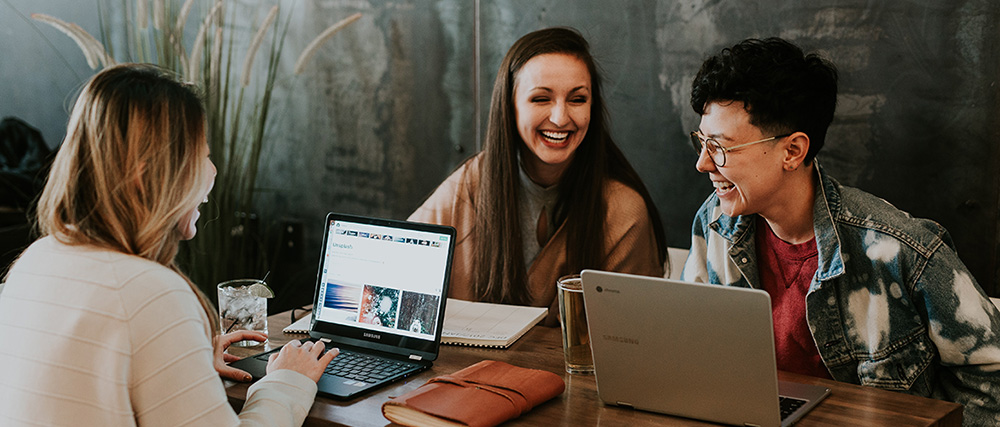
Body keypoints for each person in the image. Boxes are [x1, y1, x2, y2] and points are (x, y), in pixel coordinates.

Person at [680, 37, 1000, 425]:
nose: (702, 163)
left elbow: (991, 381)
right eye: (702, 141)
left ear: (793, 151)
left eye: (719, 146)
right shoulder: (715, 223)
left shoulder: (901, 250)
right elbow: (691, 354)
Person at [0, 63, 338, 426]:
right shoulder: (150, 293)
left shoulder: (34, 261)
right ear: (148, 175)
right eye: (202, 156)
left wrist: (180, 362)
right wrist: (288, 381)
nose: (213, 172)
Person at [410, 27, 667, 325]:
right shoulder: (471, 183)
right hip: (464, 371)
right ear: (510, 106)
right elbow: (396, 268)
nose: (560, 118)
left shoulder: (623, 211)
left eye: (577, 99)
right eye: (541, 99)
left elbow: (634, 339)